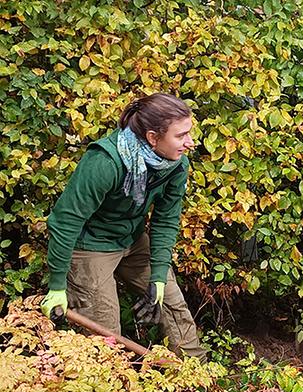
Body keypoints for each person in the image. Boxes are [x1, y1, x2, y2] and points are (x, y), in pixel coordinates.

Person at [40, 93, 205, 358]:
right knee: (105, 336)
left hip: (132, 238)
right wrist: (58, 285)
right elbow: (65, 221)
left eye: (189, 133)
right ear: (153, 137)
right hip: (91, 246)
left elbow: (165, 220)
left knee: (173, 306)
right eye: (181, 135)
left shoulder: (175, 164)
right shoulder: (105, 162)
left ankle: (199, 384)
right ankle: (112, 391)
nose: (190, 142)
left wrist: (159, 278)